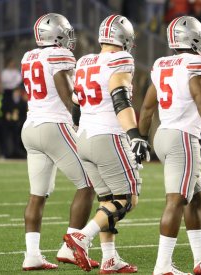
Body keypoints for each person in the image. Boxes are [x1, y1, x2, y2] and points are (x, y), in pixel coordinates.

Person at [138, 16, 201, 275]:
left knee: (194, 197)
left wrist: (139, 136)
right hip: (181, 138)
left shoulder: (162, 65)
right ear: (191, 37)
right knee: (177, 199)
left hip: (163, 134)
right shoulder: (196, 63)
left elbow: (148, 105)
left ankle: (200, 257)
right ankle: (162, 266)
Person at [62, 15, 144, 274]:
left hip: (84, 137)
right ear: (125, 38)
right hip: (107, 135)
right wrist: (135, 135)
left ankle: (109, 258)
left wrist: (79, 130)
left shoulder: (85, 60)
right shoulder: (122, 59)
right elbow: (120, 99)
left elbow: (75, 103)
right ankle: (82, 237)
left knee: (107, 200)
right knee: (127, 199)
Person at [20, 13, 98, 271]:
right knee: (88, 183)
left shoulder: (28, 56)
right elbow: (67, 96)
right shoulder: (58, 56)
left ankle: (32, 255)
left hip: (31, 126)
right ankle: (69, 246)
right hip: (54, 125)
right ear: (57, 34)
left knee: (37, 195)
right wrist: (83, 121)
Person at [3, 88, 27, 158]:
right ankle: (8, 153)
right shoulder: (8, 101)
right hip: (9, 124)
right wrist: (8, 114)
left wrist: (19, 119)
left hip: (18, 125)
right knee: (8, 139)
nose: (16, 94)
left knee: (18, 139)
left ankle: (18, 153)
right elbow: (4, 109)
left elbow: (24, 114)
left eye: (17, 93)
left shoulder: (22, 102)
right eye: (15, 93)